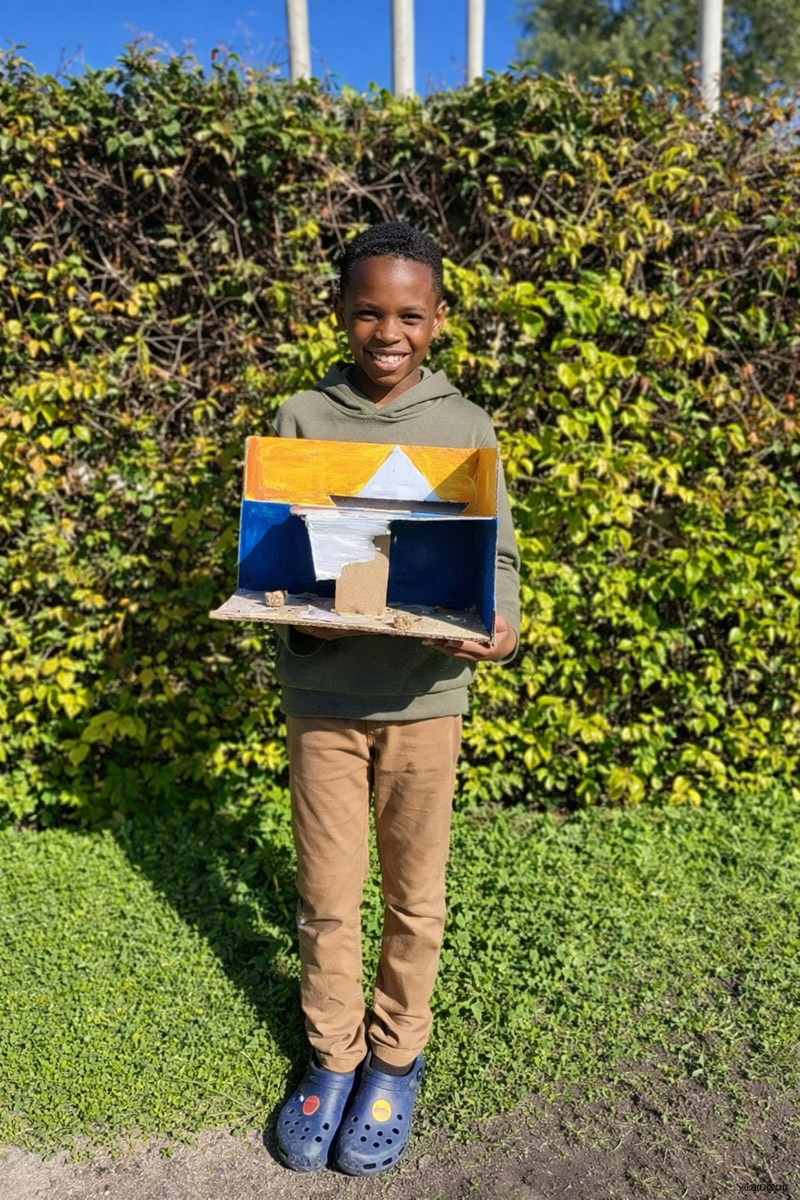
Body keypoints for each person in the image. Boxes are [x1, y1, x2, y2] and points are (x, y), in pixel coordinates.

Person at [270, 221, 520, 1176]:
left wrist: (503, 627)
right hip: (323, 697)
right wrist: (306, 622)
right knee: (327, 898)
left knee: (416, 897)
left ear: (438, 319)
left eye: (410, 316)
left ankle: (395, 1057)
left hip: (427, 701)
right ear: (340, 312)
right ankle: (333, 1058)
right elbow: (272, 559)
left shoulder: (466, 427)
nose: (389, 333)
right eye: (368, 312)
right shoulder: (302, 416)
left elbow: (498, 560)